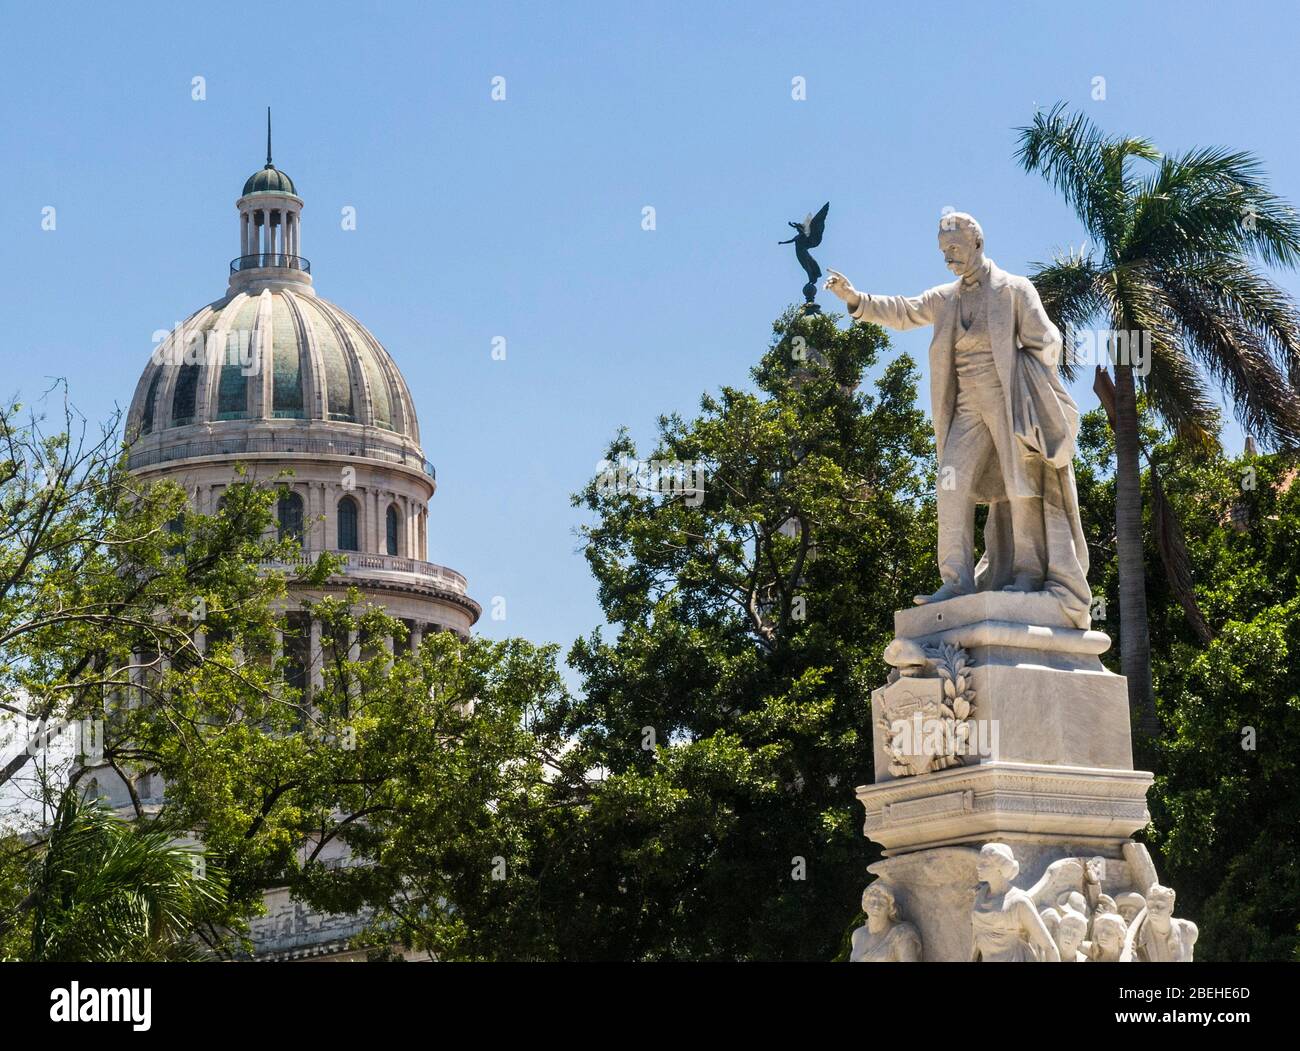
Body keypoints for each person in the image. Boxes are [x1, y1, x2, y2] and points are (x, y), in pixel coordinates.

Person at [825, 214, 1091, 627]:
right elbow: (905, 310)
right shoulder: (945, 298)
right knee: (950, 485)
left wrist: (1036, 372)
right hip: (965, 408)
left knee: (1020, 488)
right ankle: (956, 580)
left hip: (1007, 404)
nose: (948, 258)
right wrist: (856, 299)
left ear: (977, 244)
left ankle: (1026, 573)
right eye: (943, 251)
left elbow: (1047, 343)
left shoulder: (1015, 290)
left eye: (954, 249)